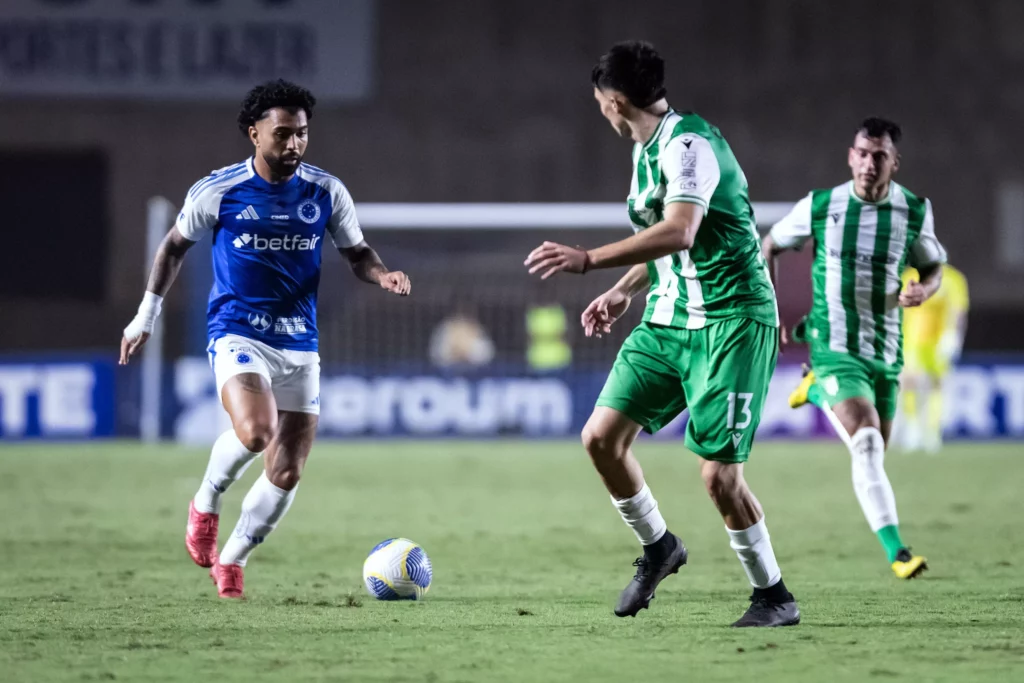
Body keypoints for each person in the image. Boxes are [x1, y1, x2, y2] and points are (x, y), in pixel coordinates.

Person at [525, 41, 799, 627]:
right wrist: (625, 288)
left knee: (719, 476)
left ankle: (773, 596)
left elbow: (680, 230)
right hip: (670, 319)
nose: (600, 110)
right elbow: (672, 246)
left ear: (615, 101)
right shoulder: (647, 147)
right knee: (600, 437)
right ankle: (658, 548)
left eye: (600, 102)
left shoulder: (690, 146)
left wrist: (588, 260)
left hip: (732, 321)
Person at [119, 79, 411, 598]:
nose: (294, 144)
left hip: (300, 343)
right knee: (257, 432)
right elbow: (172, 249)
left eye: (302, 134)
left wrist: (382, 274)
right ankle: (206, 500)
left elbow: (357, 253)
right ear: (254, 133)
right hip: (238, 331)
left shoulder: (326, 191)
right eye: (283, 134)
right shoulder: (219, 190)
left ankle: (232, 560)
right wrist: (146, 316)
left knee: (288, 470)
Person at [764, 117, 946, 580]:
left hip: (884, 352)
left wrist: (924, 290)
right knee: (865, 445)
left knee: (875, 452)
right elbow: (769, 246)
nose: (869, 163)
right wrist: (768, 311)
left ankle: (818, 391)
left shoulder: (914, 212)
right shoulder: (822, 206)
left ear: (894, 163)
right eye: (862, 153)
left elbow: (933, 268)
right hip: (833, 344)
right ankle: (898, 553)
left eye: (879, 156)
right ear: (850, 156)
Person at [898, 264, 969, 452]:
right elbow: (899, 309)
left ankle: (931, 430)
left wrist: (953, 335)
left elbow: (958, 310)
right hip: (912, 339)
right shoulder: (910, 276)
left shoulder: (953, 279)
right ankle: (912, 426)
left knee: (936, 384)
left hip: (937, 342)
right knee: (909, 382)